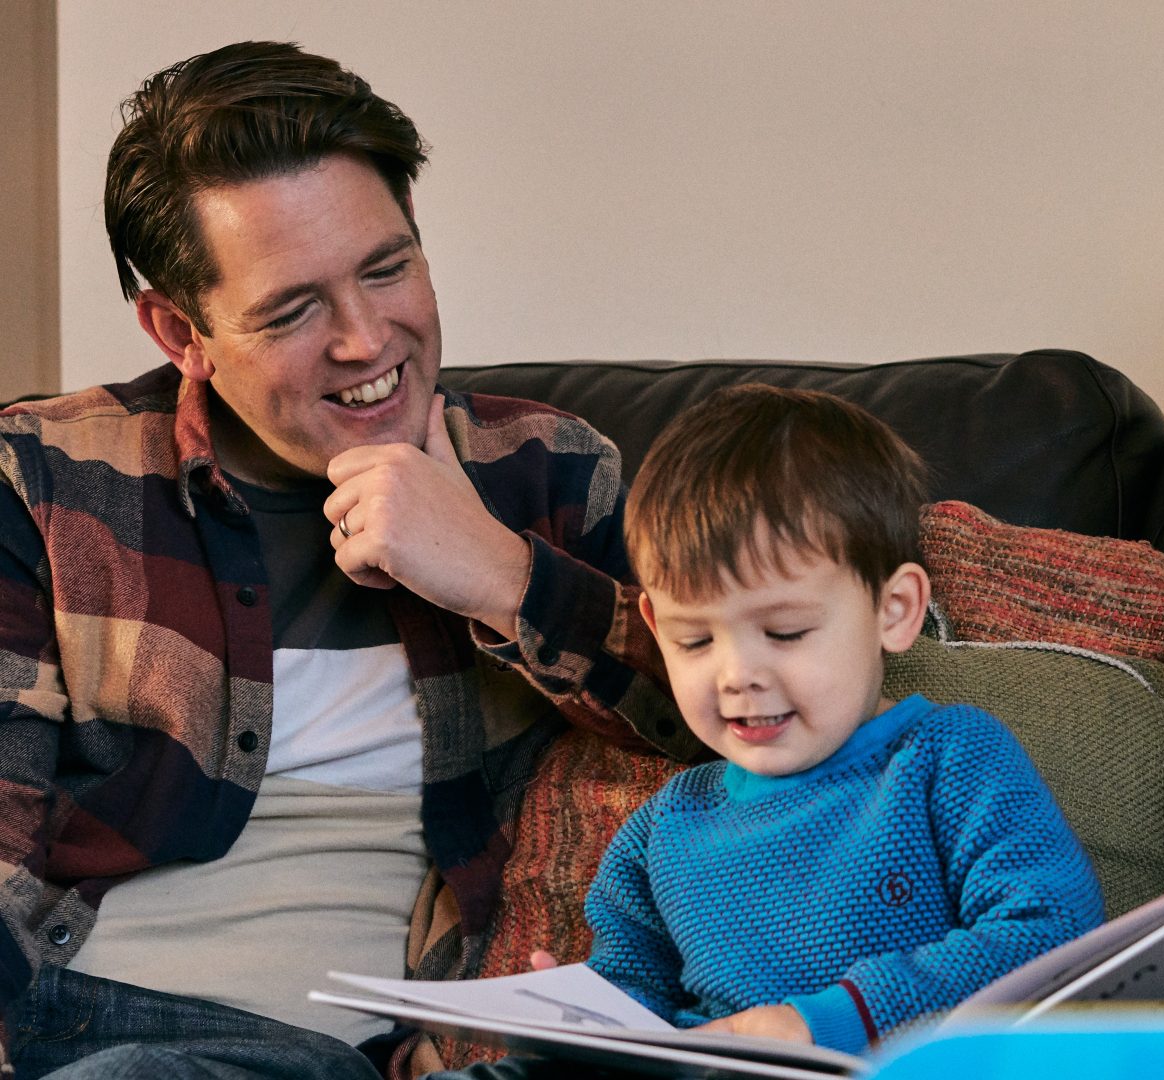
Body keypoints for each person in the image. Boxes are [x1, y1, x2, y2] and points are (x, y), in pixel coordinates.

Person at [0, 41, 696, 1080]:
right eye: (293, 310)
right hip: (85, 1026)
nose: (368, 340)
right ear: (179, 330)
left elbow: (729, 720)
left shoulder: (546, 473)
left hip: (354, 1052)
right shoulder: (45, 478)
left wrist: (502, 576)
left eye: (389, 268)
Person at [431, 384, 1104, 1077]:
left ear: (895, 610)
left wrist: (832, 1022)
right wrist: (579, 1023)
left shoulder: (950, 760)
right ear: (658, 631)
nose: (736, 675)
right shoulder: (663, 829)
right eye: (695, 642)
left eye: (784, 632)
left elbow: (1051, 936)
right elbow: (635, 1000)